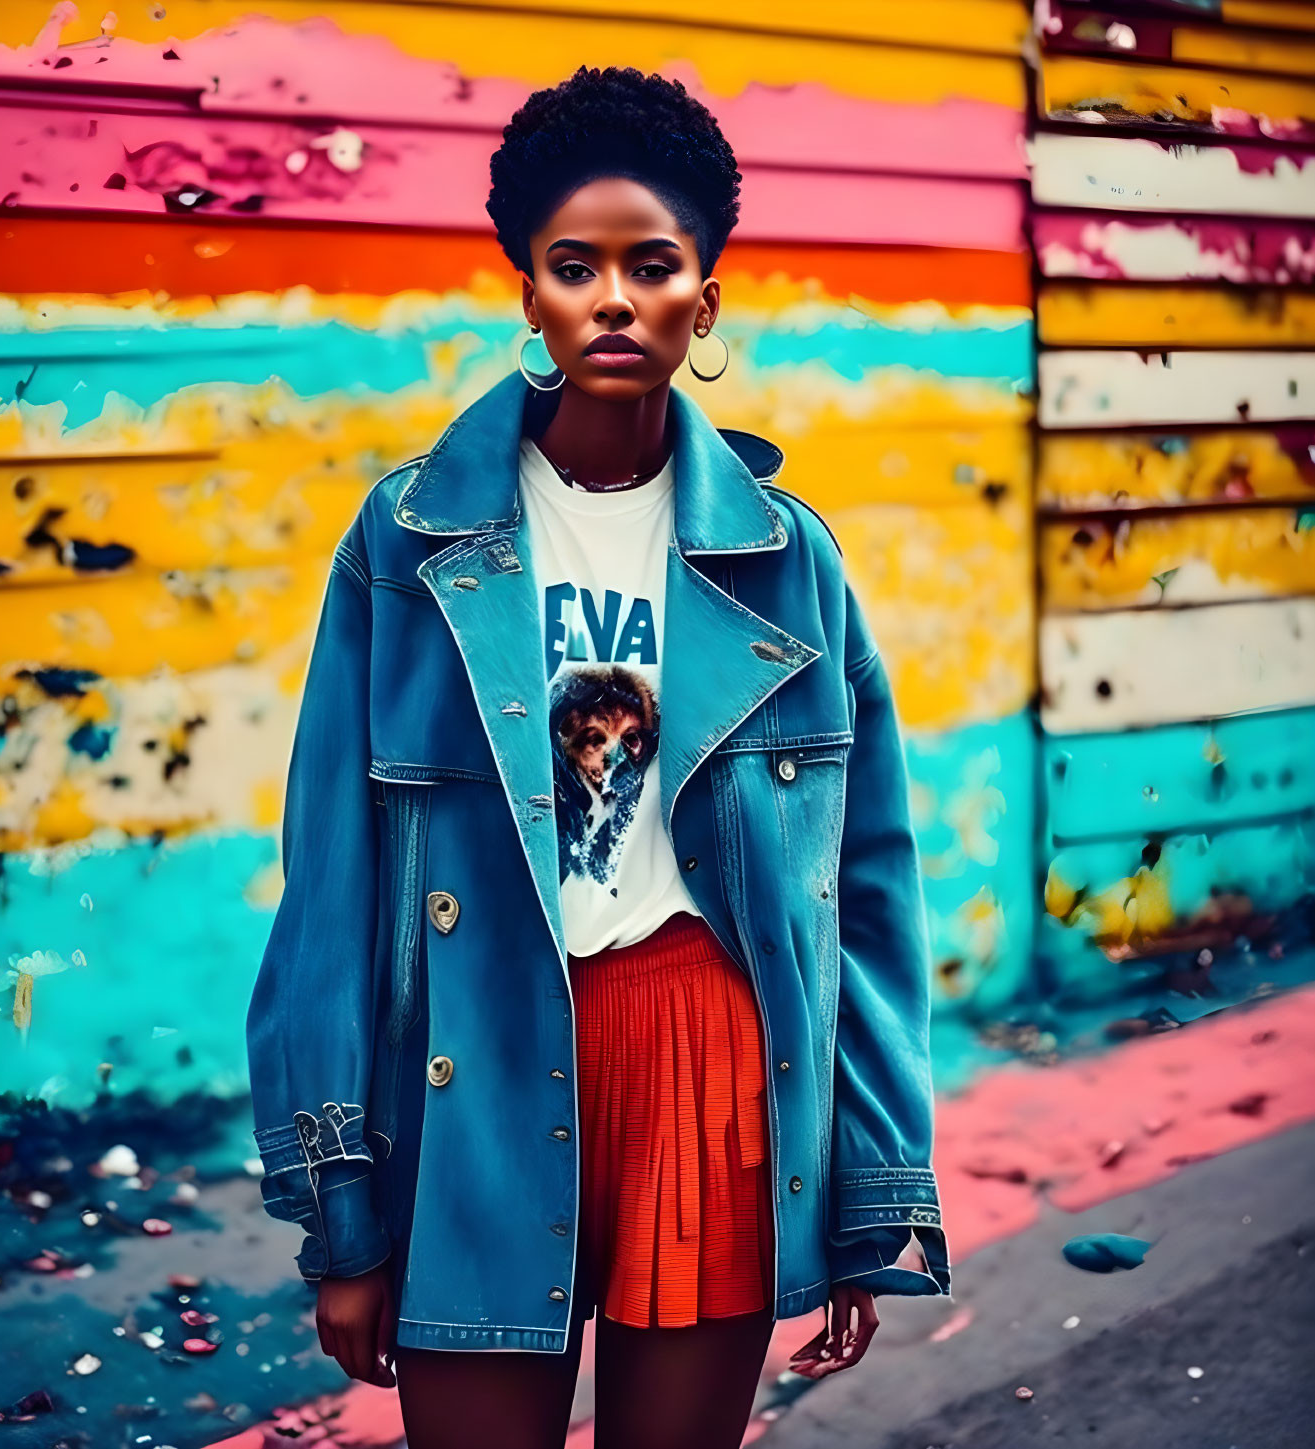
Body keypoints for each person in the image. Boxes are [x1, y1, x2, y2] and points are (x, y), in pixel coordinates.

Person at [245, 65, 951, 1449]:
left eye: (652, 265)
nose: (612, 299)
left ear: (705, 299)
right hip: (480, 1059)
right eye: (574, 267)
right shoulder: (406, 547)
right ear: (528, 294)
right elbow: (329, 885)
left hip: (707, 1060)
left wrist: (873, 1183)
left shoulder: (789, 560)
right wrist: (341, 1208)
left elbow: (862, 893)